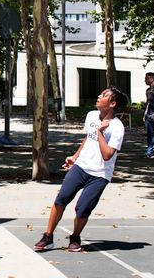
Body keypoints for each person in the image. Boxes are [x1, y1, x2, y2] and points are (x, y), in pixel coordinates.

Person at [34, 87, 128, 253]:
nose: (98, 96)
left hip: (100, 174)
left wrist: (100, 132)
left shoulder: (117, 127)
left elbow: (107, 155)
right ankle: (48, 237)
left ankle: (75, 237)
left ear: (112, 104)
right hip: (81, 167)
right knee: (61, 200)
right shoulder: (91, 115)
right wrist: (75, 157)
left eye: (104, 95)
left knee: (83, 208)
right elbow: (87, 138)